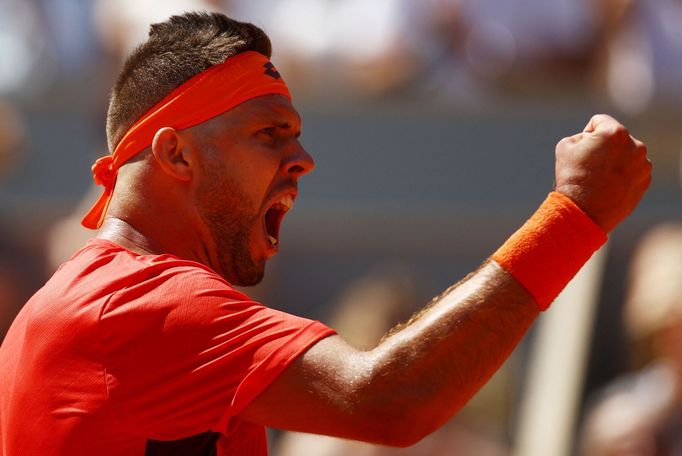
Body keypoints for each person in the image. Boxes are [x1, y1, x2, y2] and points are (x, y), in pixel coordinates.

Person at [0, 11, 651, 456]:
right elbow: (387, 399)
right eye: (268, 134)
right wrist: (576, 215)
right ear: (176, 157)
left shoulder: (102, 296)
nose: (303, 159)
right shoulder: (146, 306)